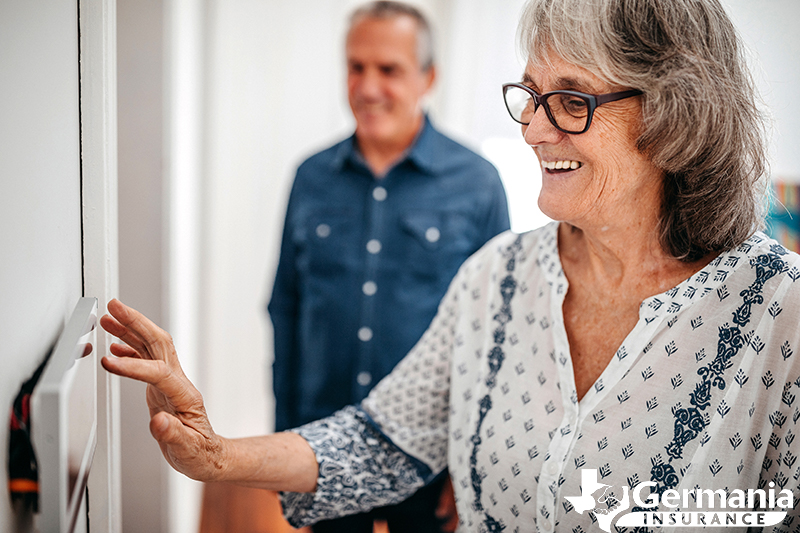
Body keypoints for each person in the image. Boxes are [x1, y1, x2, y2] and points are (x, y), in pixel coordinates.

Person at [100, 0, 800, 531]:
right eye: (530, 94)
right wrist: (216, 454)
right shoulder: (497, 278)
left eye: (571, 100)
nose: (531, 128)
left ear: (674, 114)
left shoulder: (779, 313)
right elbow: (380, 438)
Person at [267, 2, 509, 531]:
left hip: (429, 453)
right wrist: (286, 436)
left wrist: (472, 461)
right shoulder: (310, 177)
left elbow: (496, 332)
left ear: (429, 77)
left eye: (389, 70)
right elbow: (284, 307)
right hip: (325, 444)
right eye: (356, 67)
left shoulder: (478, 183)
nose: (368, 86)